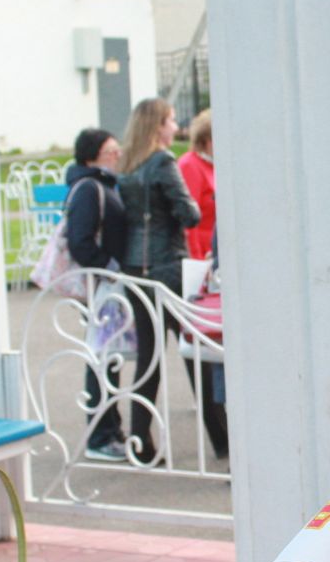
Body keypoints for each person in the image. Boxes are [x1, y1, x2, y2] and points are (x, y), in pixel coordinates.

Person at [117, 97, 230, 465]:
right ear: (157, 126)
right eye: (168, 119)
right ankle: (223, 439)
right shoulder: (163, 162)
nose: (174, 124)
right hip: (168, 266)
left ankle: (140, 439)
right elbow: (189, 212)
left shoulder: (128, 164)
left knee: (149, 358)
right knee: (197, 351)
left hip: (135, 269)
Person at [63, 128, 129, 461]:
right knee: (102, 357)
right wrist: (108, 265)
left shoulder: (99, 184)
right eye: (110, 151)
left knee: (108, 356)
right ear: (92, 156)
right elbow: (80, 240)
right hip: (100, 283)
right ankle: (101, 434)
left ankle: (109, 429)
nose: (116, 155)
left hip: (105, 282)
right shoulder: (91, 188)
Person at [178, 110, 217, 261]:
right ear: (207, 140)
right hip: (201, 252)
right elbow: (189, 218)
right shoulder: (190, 165)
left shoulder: (212, 165)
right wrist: (196, 259)